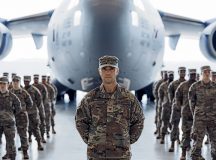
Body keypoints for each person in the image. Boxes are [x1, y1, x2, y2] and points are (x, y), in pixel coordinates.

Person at [75, 55, 144, 160]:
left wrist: (126, 140)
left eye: (111, 68)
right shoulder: (90, 98)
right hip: (96, 155)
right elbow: (80, 121)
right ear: (99, 71)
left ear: (117, 71)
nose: (108, 72)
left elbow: (139, 120)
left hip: (121, 155)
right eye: (104, 69)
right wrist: (93, 140)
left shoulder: (129, 98)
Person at [189, 66, 216, 160]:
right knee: (198, 140)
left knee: (215, 140)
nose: (207, 73)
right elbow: (192, 103)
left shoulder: (215, 86)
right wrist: (197, 114)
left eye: (209, 72)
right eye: (205, 72)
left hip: (213, 118)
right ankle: (196, 156)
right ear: (201, 73)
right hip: (200, 119)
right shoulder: (195, 87)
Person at [174, 69, 197, 160]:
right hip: (186, 114)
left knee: (197, 134)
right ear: (188, 75)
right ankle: (183, 154)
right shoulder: (183, 85)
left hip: (198, 114)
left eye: (194, 74)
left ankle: (195, 154)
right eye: (191, 74)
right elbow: (177, 96)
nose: (193, 76)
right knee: (186, 133)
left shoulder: (198, 85)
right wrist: (180, 107)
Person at [10, 76, 33, 159]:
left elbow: (30, 104)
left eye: (17, 81)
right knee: (10, 136)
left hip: (22, 117)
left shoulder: (24, 93)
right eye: (14, 81)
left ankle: (25, 152)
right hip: (11, 117)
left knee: (23, 135)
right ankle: (10, 152)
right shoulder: (9, 92)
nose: (15, 82)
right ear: (12, 82)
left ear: (19, 82)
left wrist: (23, 111)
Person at [0, 76, 22, 160]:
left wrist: (11, 116)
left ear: (8, 84)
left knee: (10, 143)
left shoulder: (13, 97)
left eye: (4, 84)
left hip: (9, 123)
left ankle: (12, 157)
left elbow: (18, 108)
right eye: (0, 83)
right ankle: (7, 154)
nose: (2, 85)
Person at [23, 76, 44, 150]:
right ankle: (24, 144)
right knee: (24, 129)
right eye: (25, 81)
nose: (26, 82)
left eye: (27, 81)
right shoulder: (21, 90)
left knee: (36, 128)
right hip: (24, 113)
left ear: (29, 81)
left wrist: (34, 108)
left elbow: (39, 101)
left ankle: (39, 144)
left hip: (33, 112)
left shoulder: (35, 90)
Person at [168, 67, 186, 152]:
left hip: (186, 109)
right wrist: (174, 104)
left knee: (186, 128)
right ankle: (172, 144)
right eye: (181, 71)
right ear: (178, 72)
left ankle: (186, 145)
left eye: (184, 71)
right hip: (176, 108)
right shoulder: (173, 84)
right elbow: (170, 95)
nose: (182, 73)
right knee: (174, 126)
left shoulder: (188, 84)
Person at [158, 71, 174, 144]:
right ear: (167, 76)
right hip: (166, 108)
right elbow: (160, 95)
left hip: (174, 108)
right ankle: (162, 138)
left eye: (172, 75)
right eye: (170, 75)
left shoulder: (176, 85)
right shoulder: (163, 85)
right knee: (164, 124)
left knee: (174, 125)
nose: (171, 77)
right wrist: (163, 102)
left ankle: (174, 141)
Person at [32, 74, 47, 143]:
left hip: (40, 107)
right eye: (34, 78)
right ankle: (30, 137)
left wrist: (41, 103)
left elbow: (45, 96)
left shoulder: (42, 86)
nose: (36, 80)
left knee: (42, 121)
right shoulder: (31, 86)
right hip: (33, 107)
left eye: (37, 78)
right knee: (32, 123)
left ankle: (42, 137)